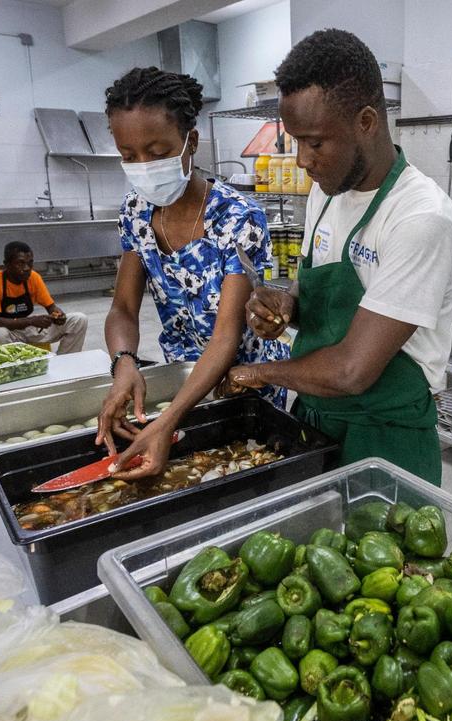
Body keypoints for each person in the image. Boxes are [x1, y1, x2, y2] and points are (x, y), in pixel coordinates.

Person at [225, 30, 452, 485]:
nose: (301, 160)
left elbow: (354, 369)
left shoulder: (419, 217)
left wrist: (257, 372)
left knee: (390, 555)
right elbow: (319, 290)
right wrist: (285, 306)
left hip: (385, 434)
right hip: (317, 417)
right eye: (294, 141)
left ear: (368, 121)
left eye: (315, 142)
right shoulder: (327, 194)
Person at [97, 67, 288, 478]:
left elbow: (226, 337)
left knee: (247, 478)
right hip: (183, 380)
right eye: (130, 157)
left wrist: (167, 422)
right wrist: (124, 362)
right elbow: (123, 310)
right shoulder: (136, 211)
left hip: (244, 386)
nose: (144, 166)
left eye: (159, 152)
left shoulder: (237, 219)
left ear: (192, 142)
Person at [0, 241, 87, 354]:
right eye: (20, 263)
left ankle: (65, 363)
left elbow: (51, 307)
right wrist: (30, 321)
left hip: (28, 330)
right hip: (8, 333)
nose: (26, 268)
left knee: (79, 319)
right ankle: (10, 369)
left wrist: (58, 315)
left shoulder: (33, 277)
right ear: (6, 264)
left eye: (30, 263)